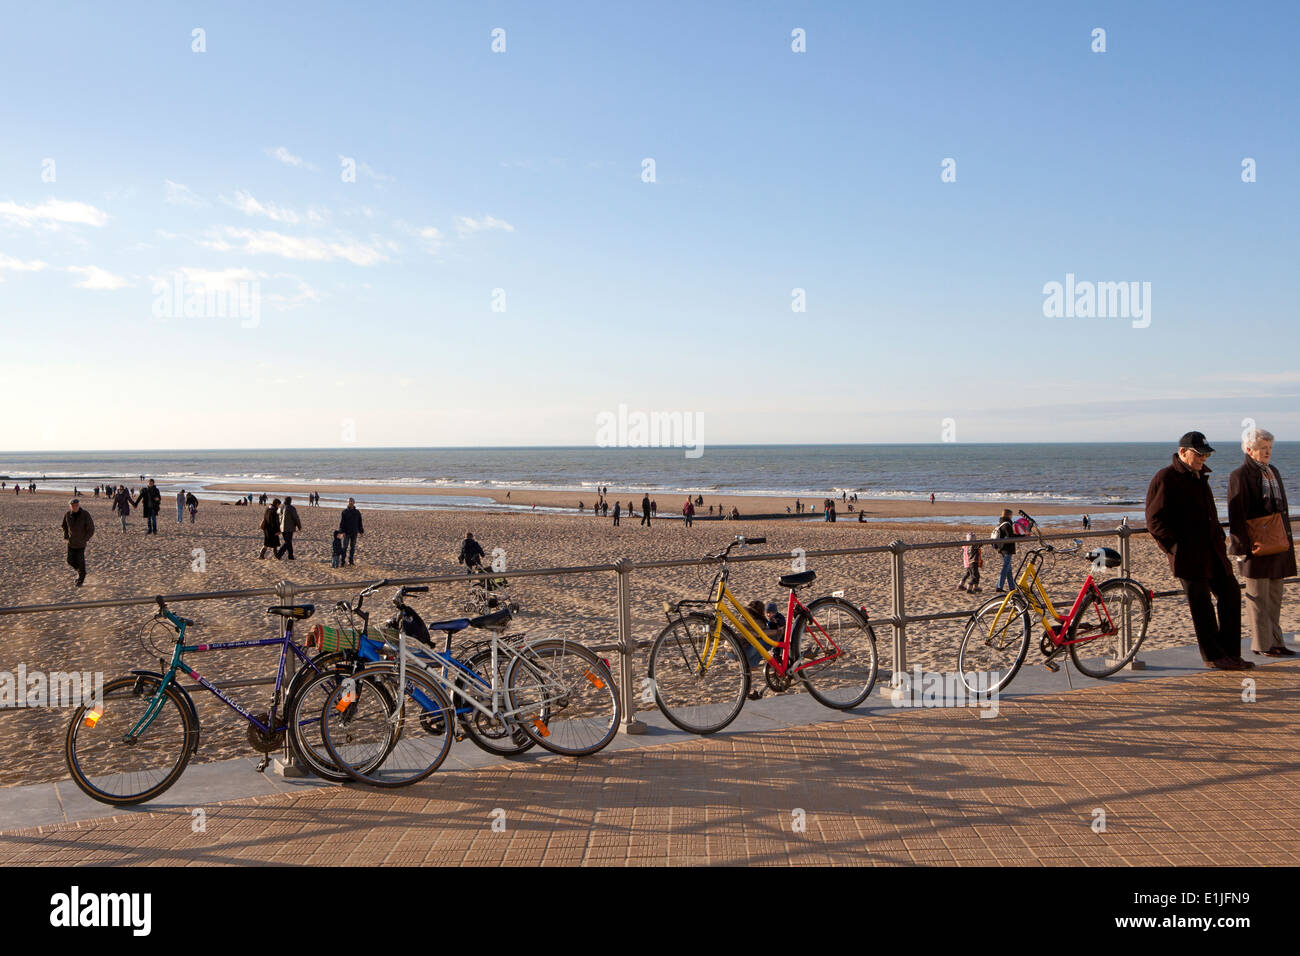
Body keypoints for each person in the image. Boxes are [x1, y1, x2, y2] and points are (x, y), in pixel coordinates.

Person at [1146, 431, 1251, 671]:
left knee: (1231, 594)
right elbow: (1154, 521)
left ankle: (1230, 653)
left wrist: (1218, 538)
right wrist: (1174, 548)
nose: (1203, 458)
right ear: (1182, 452)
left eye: (1206, 454)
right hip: (1188, 556)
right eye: (1199, 454)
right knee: (1201, 606)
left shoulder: (1201, 476)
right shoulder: (1165, 477)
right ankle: (1214, 656)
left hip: (1213, 552)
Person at [1228, 428, 1296, 657]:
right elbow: (1236, 514)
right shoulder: (1239, 475)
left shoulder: (1272, 472)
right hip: (1255, 546)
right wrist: (1240, 548)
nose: (1267, 452)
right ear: (1249, 450)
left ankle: (1276, 642)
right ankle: (1262, 645)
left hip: (1277, 544)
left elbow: (1282, 509)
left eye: (1269, 448)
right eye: (1262, 449)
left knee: (1275, 596)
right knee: (1257, 599)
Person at [62, 498, 94, 587]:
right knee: (70, 560)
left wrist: (85, 539)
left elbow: (91, 528)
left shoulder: (85, 514)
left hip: (81, 543)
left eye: (76, 505)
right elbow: (64, 525)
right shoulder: (68, 515)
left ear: (78, 505)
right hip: (71, 542)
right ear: (70, 506)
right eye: (72, 506)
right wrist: (66, 535)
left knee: (80, 561)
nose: (74, 507)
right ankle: (80, 572)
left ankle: (81, 578)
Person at [994, 509, 1017, 591]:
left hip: (1003, 548)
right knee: (1006, 568)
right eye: (1011, 515)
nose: (1012, 517)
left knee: (1009, 570)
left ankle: (1012, 587)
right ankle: (999, 586)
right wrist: (1022, 535)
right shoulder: (1007, 525)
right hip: (1007, 549)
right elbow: (1011, 536)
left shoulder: (1001, 523)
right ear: (1008, 515)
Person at [339, 497, 364, 566]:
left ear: (354, 503)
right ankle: (342, 562)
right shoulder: (344, 512)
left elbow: (360, 522)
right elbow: (342, 523)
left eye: (352, 501)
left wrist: (361, 531)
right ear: (348, 503)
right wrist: (341, 532)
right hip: (346, 533)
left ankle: (351, 561)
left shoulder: (357, 512)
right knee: (344, 547)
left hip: (354, 532)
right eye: (349, 501)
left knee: (352, 548)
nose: (350, 502)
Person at [276, 496, 302, 560]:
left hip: (282, 527)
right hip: (289, 528)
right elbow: (296, 518)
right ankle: (279, 554)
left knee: (288, 542)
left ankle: (291, 556)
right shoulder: (291, 508)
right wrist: (299, 526)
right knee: (287, 542)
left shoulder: (281, 507)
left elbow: (277, 516)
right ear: (290, 501)